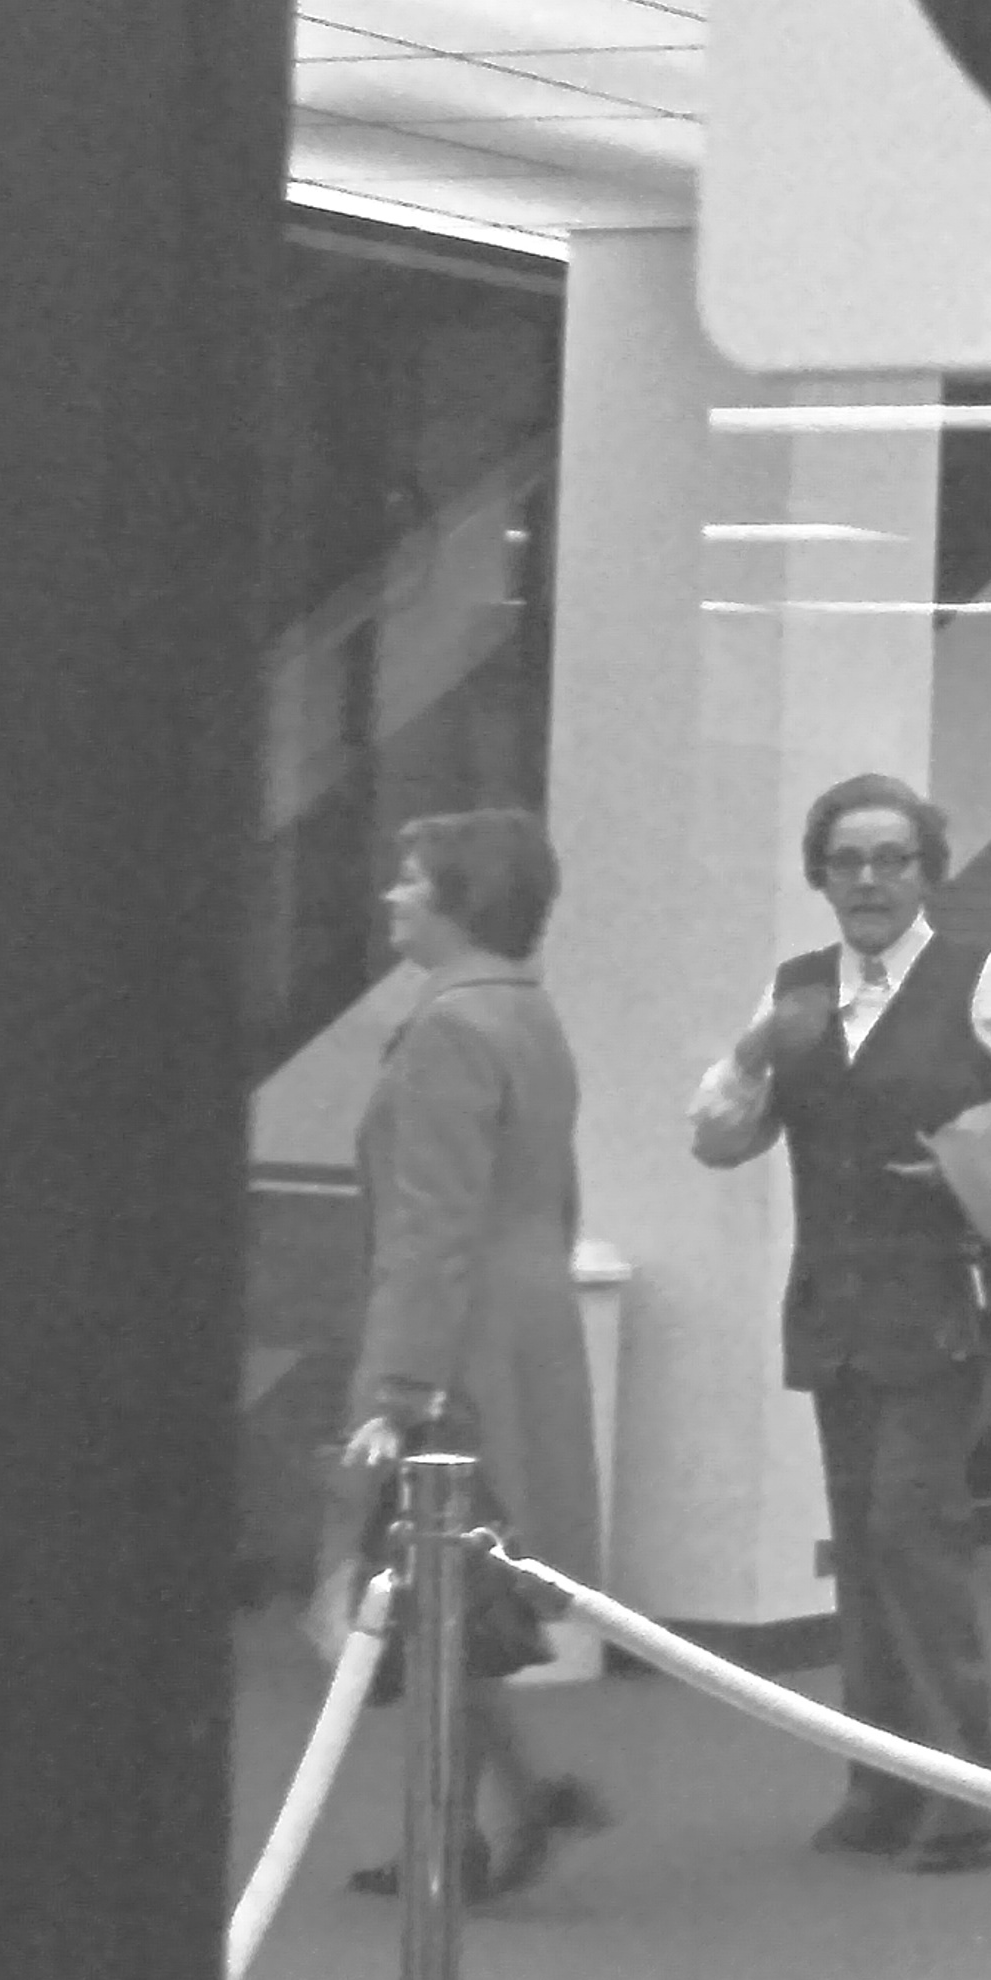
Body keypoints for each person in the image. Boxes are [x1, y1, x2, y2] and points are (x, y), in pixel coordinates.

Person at [688, 770, 991, 1871]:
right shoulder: (796, 992)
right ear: (820, 875)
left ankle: (965, 1786)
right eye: (848, 861)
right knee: (861, 1544)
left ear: (928, 870)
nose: (869, 879)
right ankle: (879, 1782)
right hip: (834, 1300)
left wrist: (972, 1157)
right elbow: (719, 1140)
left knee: (910, 1531)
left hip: (944, 1299)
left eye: (892, 859)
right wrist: (750, 1056)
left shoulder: (981, 976)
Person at [336, 808, 607, 1904]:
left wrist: (400, 1384)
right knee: (455, 1596)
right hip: (522, 1317)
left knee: (432, 1586)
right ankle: (507, 1797)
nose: (393, 896)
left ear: (459, 897)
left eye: (412, 880)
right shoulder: (525, 1014)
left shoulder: (448, 1028)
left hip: (459, 1334)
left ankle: (458, 1829)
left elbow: (430, 1227)